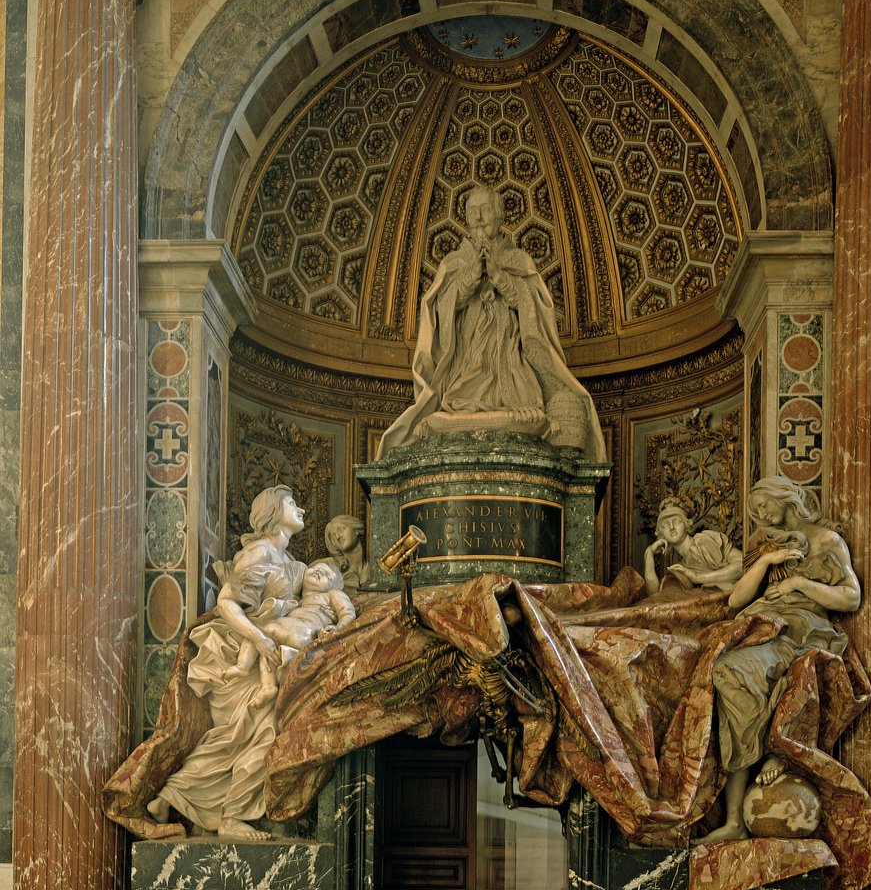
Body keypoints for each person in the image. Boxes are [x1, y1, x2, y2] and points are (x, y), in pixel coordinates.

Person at [376, 183, 605, 461]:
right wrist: (468, 279)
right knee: (452, 405)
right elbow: (437, 314)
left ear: (499, 217)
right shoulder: (453, 263)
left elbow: (533, 309)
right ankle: (463, 411)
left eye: (485, 210)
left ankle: (509, 407)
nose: (479, 218)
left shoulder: (518, 260)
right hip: (466, 362)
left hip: (509, 360)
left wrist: (500, 279)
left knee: (525, 409)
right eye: (473, 211)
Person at [699, 476, 861, 843]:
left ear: (786, 498)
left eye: (764, 506)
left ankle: (777, 752)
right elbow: (736, 600)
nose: (760, 515)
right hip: (761, 625)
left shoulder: (825, 540)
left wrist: (799, 585)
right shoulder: (763, 544)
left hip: (800, 630)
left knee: (739, 672)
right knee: (723, 672)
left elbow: (850, 597)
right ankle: (737, 816)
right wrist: (768, 560)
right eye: (754, 511)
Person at [146, 484, 309, 840]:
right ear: (271, 512)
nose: (301, 509)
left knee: (235, 742)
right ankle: (231, 818)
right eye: (291, 503)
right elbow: (226, 603)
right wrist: (259, 638)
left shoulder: (288, 563)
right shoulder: (260, 552)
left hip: (268, 653)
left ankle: (171, 795)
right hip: (241, 654)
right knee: (259, 735)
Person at [227, 560, 357, 704]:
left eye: (327, 575)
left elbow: (348, 612)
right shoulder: (298, 601)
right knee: (267, 650)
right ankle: (269, 686)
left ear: (332, 586)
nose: (320, 572)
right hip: (293, 634)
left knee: (261, 631)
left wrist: (338, 628)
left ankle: (243, 666)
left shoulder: (332, 594)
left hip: (306, 633)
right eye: (316, 568)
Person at [643, 499, 742, 594]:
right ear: (661, 534)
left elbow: (744, 565)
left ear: (687, 524)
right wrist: (649, 553)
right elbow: (655, 595)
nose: (672, 527)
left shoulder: (702, 541)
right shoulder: (681, 566)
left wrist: (698, 578)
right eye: (665, 525)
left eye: (677, 521)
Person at [314, 514, 369, 594]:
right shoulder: (329, 566)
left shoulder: (374, 569)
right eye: (333, 535)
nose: (337, 536)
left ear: (356, 530)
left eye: (341, 529)